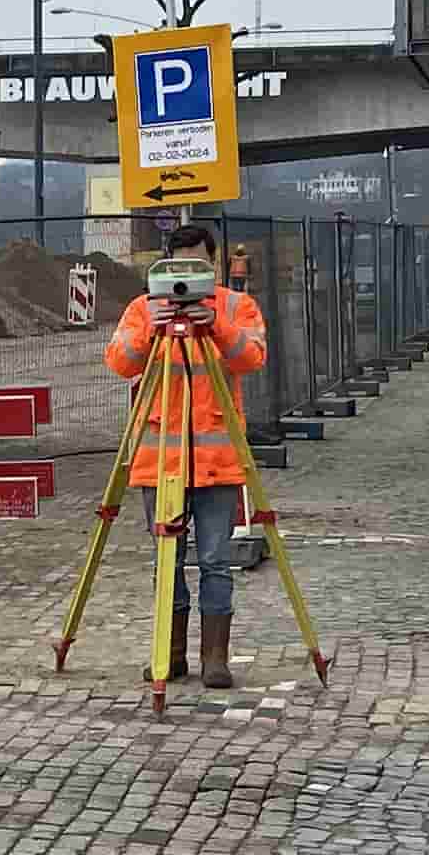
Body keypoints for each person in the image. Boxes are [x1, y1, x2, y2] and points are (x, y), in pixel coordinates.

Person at [102, 217, 269, 690]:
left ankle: (215, 658)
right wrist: (147, 333)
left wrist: (215, 326)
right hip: (160, 463)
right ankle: (169, 654)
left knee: (216, 561)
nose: (188, 277)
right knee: (166, 562)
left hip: (217, 464)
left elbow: (251, 358)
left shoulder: (237, 306)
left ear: (213, 265)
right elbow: (119, 362)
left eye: (198, 266)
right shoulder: (143, 308)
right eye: (181, 266)